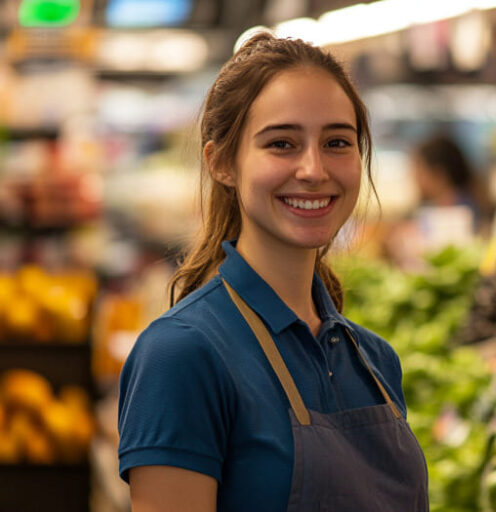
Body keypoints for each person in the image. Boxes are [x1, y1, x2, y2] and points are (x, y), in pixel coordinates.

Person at [117, 32, 428, 511]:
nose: (312, 169)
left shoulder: (375, 361)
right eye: (282, 143)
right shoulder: (181, 354)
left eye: (337, 142)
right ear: (221, 162)